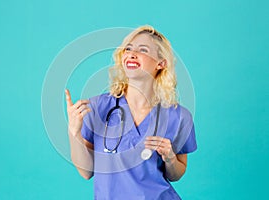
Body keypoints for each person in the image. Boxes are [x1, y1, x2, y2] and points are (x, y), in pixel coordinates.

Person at [65, 25, 197, 200]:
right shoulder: (99, 107)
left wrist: (170, 158)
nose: (131, 54)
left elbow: (176, 174)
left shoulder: (179, 116)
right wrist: (74, 132)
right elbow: (86, 172)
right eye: (128, 49)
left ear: (161, 63)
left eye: (142, 49)